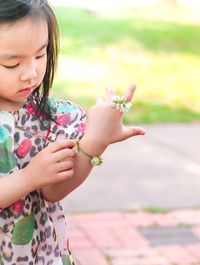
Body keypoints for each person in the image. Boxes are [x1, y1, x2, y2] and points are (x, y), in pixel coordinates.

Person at [0, 0, 145, 264]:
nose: (31, 73)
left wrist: (95, 142)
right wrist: (29, 177)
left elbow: (53, 192)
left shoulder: (51, 117)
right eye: (12, 64)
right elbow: (34, 182)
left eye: (40, 54)